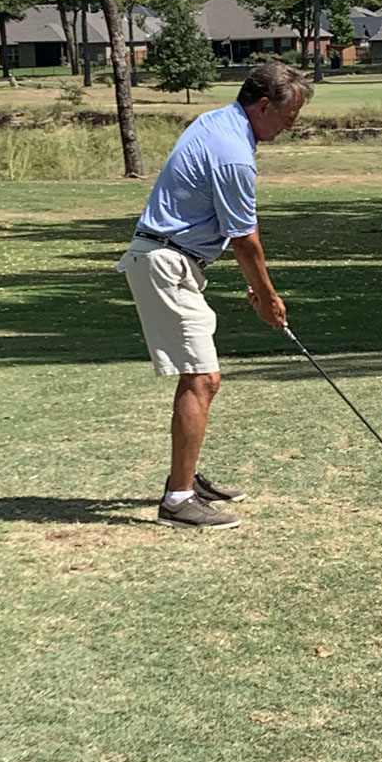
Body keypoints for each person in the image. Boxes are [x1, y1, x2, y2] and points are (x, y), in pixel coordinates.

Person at [117, 62, 313, 530]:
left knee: (201, 377)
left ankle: (184, 479)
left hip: (170, 259)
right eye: (289, 116)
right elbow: (245, 238)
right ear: (263, 105)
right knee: (203, 379)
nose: (291, 126)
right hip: (166, 263)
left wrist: (258, 287)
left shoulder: (217, 122)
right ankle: (178, 501)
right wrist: (268, 298)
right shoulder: (233, 153)